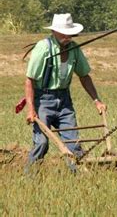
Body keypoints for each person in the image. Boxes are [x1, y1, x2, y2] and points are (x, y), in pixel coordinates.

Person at [24, 13, 107, 168]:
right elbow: (30, 80)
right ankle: (29, 178)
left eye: (70, 33)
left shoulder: (74, 49)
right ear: (54, 32)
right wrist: (31, 110)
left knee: (73, 145)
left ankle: (78, 179)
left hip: (64, 102)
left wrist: (97, 101)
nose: (68, 36)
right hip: (43, 100)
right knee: (41, 143)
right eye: (64, 33)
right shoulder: (43, 48)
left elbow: (84, 76)